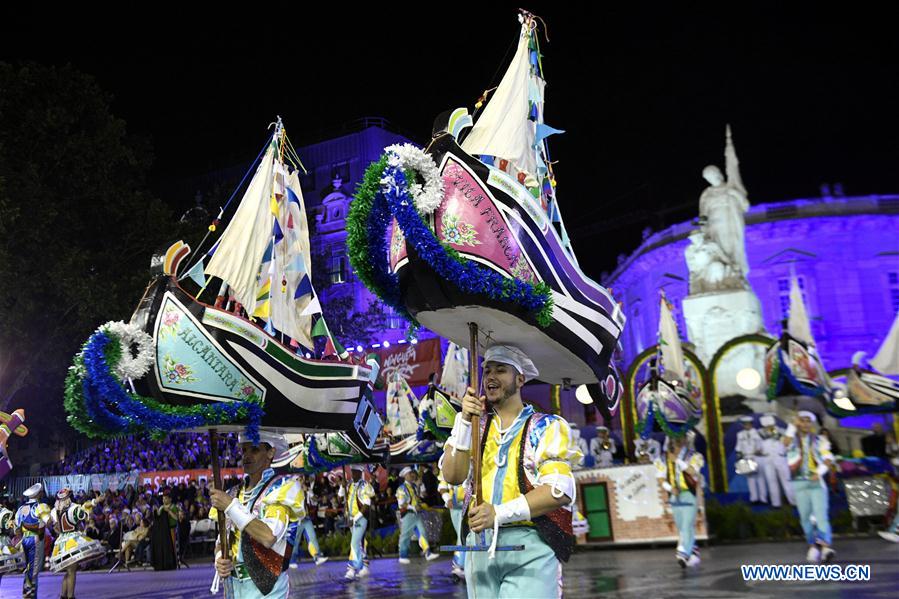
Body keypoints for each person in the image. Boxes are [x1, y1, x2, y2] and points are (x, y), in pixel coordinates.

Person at [441, 344, 582, 598]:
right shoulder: (474, 427)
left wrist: (498, 513)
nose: (491, 377)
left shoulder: (546, 427)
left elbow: (559, 491)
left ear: (520, 379)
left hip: (529, 548)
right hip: (479, 549)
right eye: (487, 371)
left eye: (501, 370)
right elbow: (452, 476)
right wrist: (464, 421)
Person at [210, 431, 303, 598]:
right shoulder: (233, 492)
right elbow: (220, 541)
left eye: (254, 449)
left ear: (271, 452)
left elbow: (268, 537)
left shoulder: (282, 489)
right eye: (244, 450)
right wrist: (219, 559)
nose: (246, 456)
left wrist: (230, 506)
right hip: (233, 588)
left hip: (268, 590)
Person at [784, 411, 835, 563]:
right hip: (799, 482)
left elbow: (828, 458)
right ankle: (813, 546)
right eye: (802, 421)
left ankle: (825, 547)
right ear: (798, 423)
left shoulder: (820, 439)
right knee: (805, 518)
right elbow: (785, 443)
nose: (806, 424)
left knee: (821, 516)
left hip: (815, 482)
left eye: (808, 421)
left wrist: (819, 472)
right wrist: (792, 425)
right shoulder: (792, 439)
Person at [655, 431, 704, 568]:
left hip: (689, 493)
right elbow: (660, 478)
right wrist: (670, 489)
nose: (676, 440)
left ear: (685, 439)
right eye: (674, 438)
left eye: (679, 437)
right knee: (681, 526)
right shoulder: (663, 458)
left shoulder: (694, 456)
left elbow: (693, 471)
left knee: (687, 524)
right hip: (674, 495)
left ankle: (682, 553)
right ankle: (693, 553)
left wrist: (677, 460)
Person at [396, 466, 439, 564]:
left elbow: (421, 496)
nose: (412, 475)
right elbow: (401, 504)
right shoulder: (401, 488)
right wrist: (414, 507)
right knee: (406, 535)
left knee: (422, 532)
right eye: (409, 474)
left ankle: (427, 553)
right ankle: (402, 555)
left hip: (416, 514)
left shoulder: (414, 487)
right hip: (408, 515)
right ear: (405, 476)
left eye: (411, 473)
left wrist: (421, 486)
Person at [15, 482, 52, 598]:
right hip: (36, 539)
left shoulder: (21, 509)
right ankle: (30, 595)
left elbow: (17, 529)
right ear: (38, 494)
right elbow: (48, 521)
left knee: (28, 568)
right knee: (34, 569)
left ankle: (26, 593)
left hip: (24, 539)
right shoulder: (40, 507)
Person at [343, 464, 375, 581]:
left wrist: (355, 519)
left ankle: (351, 568)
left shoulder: (364, 486)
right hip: (351, 518)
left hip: (360, 519)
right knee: (360, 542)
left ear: (360, 472)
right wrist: (342, 486)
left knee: (354, 543)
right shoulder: (350, 484)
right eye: (352, 471)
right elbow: (341, 496)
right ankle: (365, 566)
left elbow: (367, 505)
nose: (353, 474)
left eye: (355, 471)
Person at [289, 475, 328, 567]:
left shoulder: (306, 490)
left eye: (302, 479)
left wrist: (309, 491)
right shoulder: (291, 492)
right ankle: (291, 561)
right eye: (299, 479)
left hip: (306, 518)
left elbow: (315, 501)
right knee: (295, 541)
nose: (302, 481)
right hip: (296, 519)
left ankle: (317, 557)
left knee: (312, 537)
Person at [759, 415, 795, 508]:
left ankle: (793, 502)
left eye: (770, 425)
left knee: (787, 481)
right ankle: (776, 503)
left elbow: (790, 445)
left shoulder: (782, 431)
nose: (768, 428)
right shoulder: (760, 434)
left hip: (780, 459)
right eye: (766, 426)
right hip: (768, 460)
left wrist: (779, 437)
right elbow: (758, 448)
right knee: (771, 482)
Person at [438, 466, 467, 581]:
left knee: (464, 535)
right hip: (455, 507)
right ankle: (459, 565)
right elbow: (442, 487)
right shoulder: (447, 463)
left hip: (470, 504)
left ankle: (460, 565)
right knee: (462, 535)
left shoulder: (473, 460)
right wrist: (447, 499)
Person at [735, 416, 767, 503]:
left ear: (751, 424)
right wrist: (739, 454)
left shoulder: (757, 433)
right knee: (750, 478)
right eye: (745, 424)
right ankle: (754, 498)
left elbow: (762, 445)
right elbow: (738, 446)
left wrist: (759, 450)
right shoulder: (740, 434)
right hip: (746, 457)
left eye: (748, 424)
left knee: (760, 478)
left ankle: (763, 498)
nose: (746, 426)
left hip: (757, 457)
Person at [150, 489, 179, 570]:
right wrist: (155, 510)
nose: (164, 500)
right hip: (163, 531)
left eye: (166, 498)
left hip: (172, 529)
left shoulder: (173, 507)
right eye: (163, 499)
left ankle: (174, 562)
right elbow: (158, 515)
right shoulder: (162, 507)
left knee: (172, 546)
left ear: (170, 499)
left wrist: (169, 511)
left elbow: (176, 518)